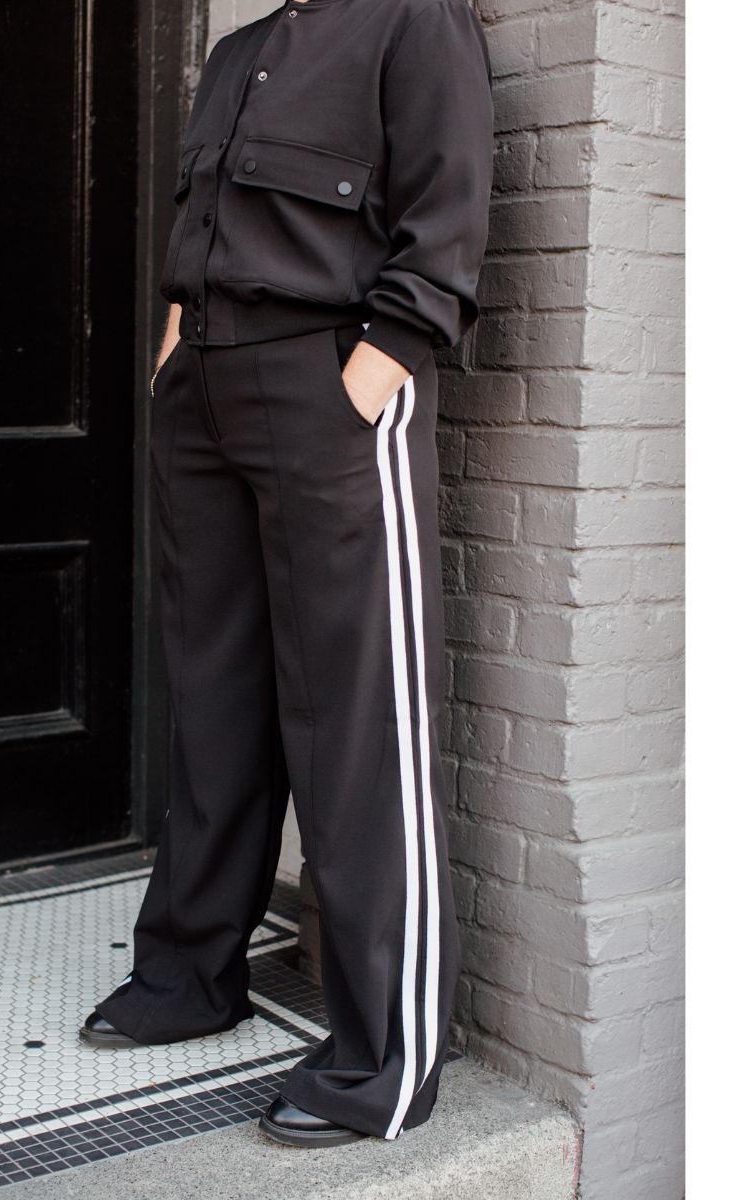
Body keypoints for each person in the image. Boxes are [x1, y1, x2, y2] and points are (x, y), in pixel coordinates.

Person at [80, 0, 494, 1147]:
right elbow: (202, 225)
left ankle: (383, 1059)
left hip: (328, 390)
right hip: (205, 392)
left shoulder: (416, 21)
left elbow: (446, 218)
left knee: (359, 724)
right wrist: (174, 348)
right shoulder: (234, 52)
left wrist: (372, 371)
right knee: (212, 701)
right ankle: (188, 976)